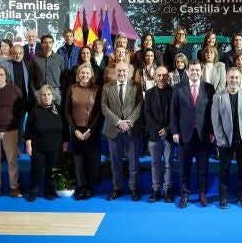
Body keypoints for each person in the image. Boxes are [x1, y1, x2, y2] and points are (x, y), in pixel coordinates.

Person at [170, 59, 215, 208]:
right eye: (192, 70)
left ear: (201, 72)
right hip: (184, 135)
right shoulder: (178, 88)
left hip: (203, 135)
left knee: (203, 167)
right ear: (188, 71)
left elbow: (211, 113)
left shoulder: (209, 88)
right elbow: (174, 113)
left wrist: (212, 132)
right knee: (184, 166)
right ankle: (185, 194)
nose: (194, 72)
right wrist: (175, 131)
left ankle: (202, 194)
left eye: (197, 70)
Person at [211, 68, 242, 209]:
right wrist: (221, 140)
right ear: (226, 78)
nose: (234, 80)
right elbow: (215, 120)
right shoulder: (218, 96)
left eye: (237, 78)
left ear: (240, 79)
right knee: (224, 169)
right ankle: (223, 197)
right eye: (231, 77)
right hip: (225, 141)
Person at [0, 65, 27, 199]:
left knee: (12, 161)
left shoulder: (15, 90)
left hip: (10, 131)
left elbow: (21, 109)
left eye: (1, 75)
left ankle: (14, 187)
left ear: (6, 76)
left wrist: (15, 123)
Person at [101, 61, 144, 201]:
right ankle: (117, 188)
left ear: (129, 72)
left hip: (132, 130)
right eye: (119, 71)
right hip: (114, 130)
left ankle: (134, 189)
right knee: (115, 161)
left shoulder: (136, 86)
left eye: (124, 71)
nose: (121, 73)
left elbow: (139, 105)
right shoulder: (107, 87)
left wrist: (129, 122)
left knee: (133, 162)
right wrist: (118, 122)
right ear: (115, 72)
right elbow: (104, 106)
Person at [66, 65, 104, 200]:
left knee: (91, 159)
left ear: (91, 74)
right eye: (82, 72)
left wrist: (90, 130)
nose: (85, 75)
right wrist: (74, 129)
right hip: (77, 130)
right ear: (78, 74)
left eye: (87, 73)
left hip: (91, 130)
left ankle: (89, 187)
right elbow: (67, 111)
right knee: (78, 160)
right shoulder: (72, 89)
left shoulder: (97, 89)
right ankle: (81, 186)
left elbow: (100, 112)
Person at [25, 85, 67, 201]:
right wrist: (28, 145)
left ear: (53, 96)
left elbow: (65, 128)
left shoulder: (59, 110)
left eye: (49, 94)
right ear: (40, 97)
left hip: (55, 146)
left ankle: (49, 190)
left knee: (51, 170)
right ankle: (33, 191)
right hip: (39, 147)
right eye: (44, 95)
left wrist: (66, 142)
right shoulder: (35, 111)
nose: (47, 97)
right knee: (36, 170)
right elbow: (28, 130)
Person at [143, 66, 174, 203]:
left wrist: (167, 129)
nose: (161, 78)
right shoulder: (149, 93)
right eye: (159, 75)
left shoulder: (174, 92)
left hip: (169, 135)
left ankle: (167, 190)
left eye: (164, 75)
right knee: (155, 164)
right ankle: (156, 190)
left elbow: (176, 114)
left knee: (168, 164)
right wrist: (157, 129)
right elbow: (147, 113)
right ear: (155, 77)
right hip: (154, 135)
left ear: (168, 76)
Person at [31, 34, 66, 105]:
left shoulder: (60, 58)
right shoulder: (36, 59)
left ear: (53, 43)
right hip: (40, 91)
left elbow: (64, 75)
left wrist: (61, 91)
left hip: (56, 91)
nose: (48, 45)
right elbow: (32, 77)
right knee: (41, 114)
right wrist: (34, 91)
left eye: (50, 42)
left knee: (56, 114)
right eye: (45, 42)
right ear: (41, 44)